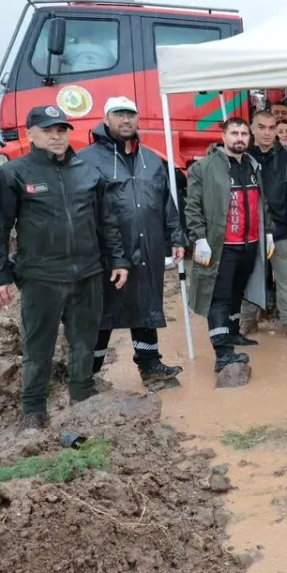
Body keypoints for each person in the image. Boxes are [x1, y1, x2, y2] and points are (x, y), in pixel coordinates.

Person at [0, 105, 129, 430]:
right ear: (30, 134)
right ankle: (33, 412)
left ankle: (82, 401)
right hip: (40, 279)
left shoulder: (87, 171)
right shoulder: (15, 173)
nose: (56, 136)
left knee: (83, 342)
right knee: (38, 347)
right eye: (48, 130)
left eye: (61, 129)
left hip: (87, 275)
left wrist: (117, 259)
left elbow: (106, 221)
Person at [76, 96, 188, 389]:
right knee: (103, 311)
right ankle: (87, 373)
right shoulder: (86, 160)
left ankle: (150, 366)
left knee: (146, 303)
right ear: (105, 119)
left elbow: (166, 201)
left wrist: (176, 235)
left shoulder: (150, 159)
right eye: (118, 114)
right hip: (107, 251)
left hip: (148, 245)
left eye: (131, 114)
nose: (126, 119)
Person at [184, 118, 276, 372]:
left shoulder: (252, 165)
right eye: (234, 133)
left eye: (244, 133)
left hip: (249, 245)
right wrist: (199, 238)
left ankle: (233, 333)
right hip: (221, 245)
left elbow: (262, 203)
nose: (240, 138)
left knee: (237, 292)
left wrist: (267, 232)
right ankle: (223, 352)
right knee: (220, 297)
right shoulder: (203, 168)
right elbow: (192, 207)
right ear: (223, 136)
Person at [248, 110, 287, 342]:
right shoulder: (243, 158)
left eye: (272, 128)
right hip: (250, 231)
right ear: (253, 129)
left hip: (281, 230)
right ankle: (247, 319)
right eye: (262, 127)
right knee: (249, 277)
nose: (267, 132)